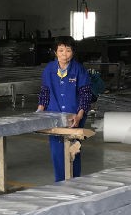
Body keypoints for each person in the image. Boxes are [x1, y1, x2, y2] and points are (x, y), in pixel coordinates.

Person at [36, 35, 93, 181]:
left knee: (74, 151)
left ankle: (74, 181)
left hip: (74, 116)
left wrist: (79, 115)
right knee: (57, 152)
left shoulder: (79, 70)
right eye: (61, 50)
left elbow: (85, 95)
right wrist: (40, 111)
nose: (64, 54)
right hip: (54, 115)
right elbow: (45, 92)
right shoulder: (49, 69)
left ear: (73, 52)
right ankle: (60, 183)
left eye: (68, 50)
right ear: (55, 52)